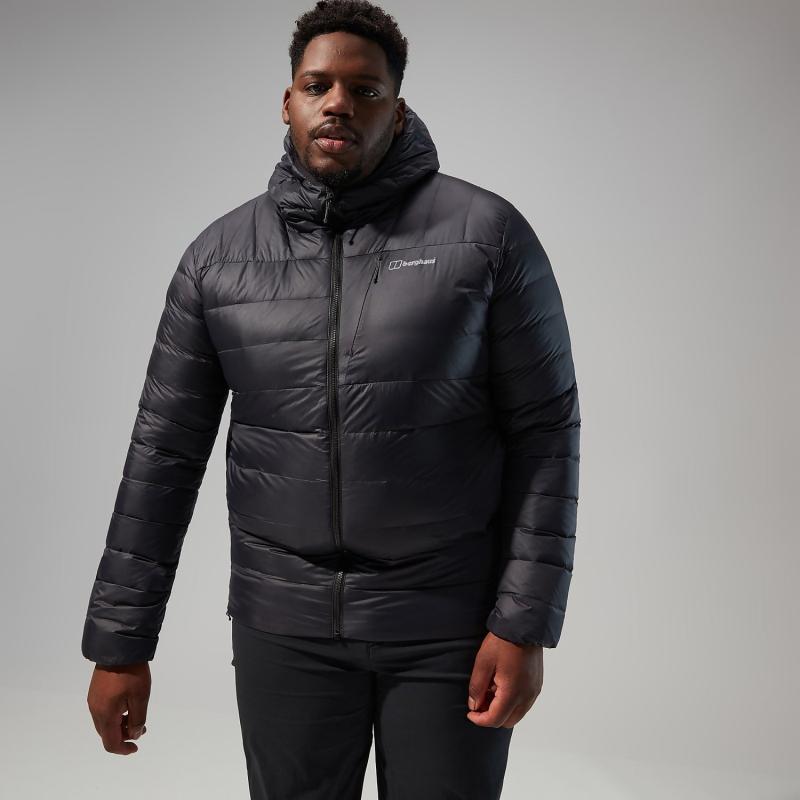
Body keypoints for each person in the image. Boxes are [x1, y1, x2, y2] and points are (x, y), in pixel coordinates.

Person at [82, 1, 581, 797]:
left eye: (365, 89)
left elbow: (546, 435)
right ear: (288, 102)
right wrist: (120, 644)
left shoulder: (487, 237)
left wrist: (522, 625)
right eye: (318, 86)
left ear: (397, 108)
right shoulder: (218, 261)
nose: (339, 103)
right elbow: (162, 456)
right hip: (285, 628)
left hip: (445, 624)